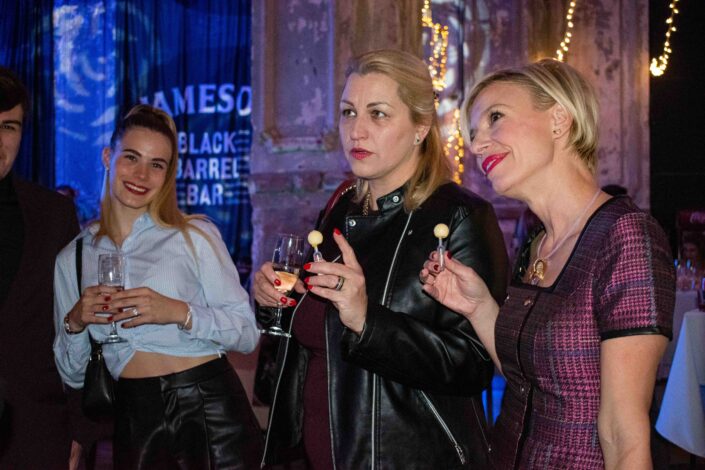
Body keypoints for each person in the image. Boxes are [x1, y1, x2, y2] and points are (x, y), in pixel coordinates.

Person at [254, 49, 508, 469]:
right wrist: (276, 302)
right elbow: (314, 332)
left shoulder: (459, 216)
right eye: (348, 112)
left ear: (420, 127)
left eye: (378, 114)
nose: (357, 131)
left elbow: (474, 366)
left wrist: (366, 320)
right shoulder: (340, 206)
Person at [420, 59, 675, 469]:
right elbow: (531, 378)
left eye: (495, 118)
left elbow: (623, 435)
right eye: (473, 134)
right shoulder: (538, 244)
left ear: (559, 120)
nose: (477, 145)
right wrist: (479, 306)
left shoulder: (625, 236)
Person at [53, 104, 263, 469]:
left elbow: (247, 334)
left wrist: (179, 312)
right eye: (131, 157)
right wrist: (75, 321)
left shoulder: (194, 235)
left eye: (157, 164)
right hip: (134, 416)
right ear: (108, 157)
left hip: (210, 407)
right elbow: (72, 375)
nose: (141, 174)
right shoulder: (73, 258)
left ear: (168, 174)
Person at [0, 66, 81, 469]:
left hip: (36, 430)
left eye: (8, 127)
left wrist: (81, 426)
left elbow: (77, 323)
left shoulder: (54, 215)